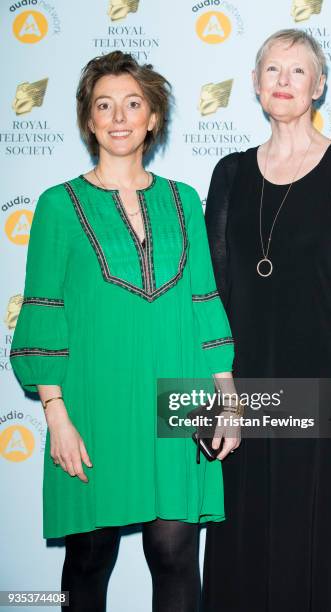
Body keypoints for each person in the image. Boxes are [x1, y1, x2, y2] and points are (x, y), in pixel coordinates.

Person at [10, 51, 240, 612]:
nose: (119, 117)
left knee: (176, 555)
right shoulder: (58, 207)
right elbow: (43, 313)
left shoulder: (184, 201)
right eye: (104, 105)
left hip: (177, 401)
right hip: (91, 406)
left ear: (153, 117)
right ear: (89, 120)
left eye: (133, 104)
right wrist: (55, 413)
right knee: (88, 560)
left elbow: (204, 302)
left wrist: (227, 396)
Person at [202, 29, 331, 611]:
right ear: (256, 86)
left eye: (297, 71)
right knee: (242, 540)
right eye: (272, 71)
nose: (283, 81)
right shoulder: (229, 175)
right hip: (243, 393)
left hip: (324, 394)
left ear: (319, 86)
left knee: (317, 546)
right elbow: (212, 296)